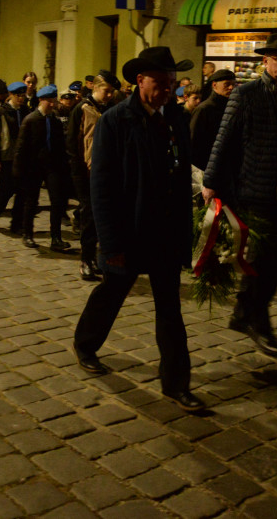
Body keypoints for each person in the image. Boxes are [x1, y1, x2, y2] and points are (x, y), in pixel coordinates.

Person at [73, 48, 203, 413]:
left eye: (172, 84)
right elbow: (102, 185)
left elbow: (181, 176)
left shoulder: (176, 118)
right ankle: (85, 343)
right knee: (112, 293)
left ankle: (177, 383)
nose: (168, 90)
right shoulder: (115, 121)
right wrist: (110, 242)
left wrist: (187, 232)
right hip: (128, 232)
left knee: (170, 309)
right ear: (139, 81)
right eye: (161, 83)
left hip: (164, 234)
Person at [202, 33, 277, 358]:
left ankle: (243, 314)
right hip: (255, 191)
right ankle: (259, 322)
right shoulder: (246, 94)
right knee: (270, 263)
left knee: (261, 260)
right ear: (265, 62)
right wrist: (211, 181)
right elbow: (224, 139)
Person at [67, 69, 121, 281]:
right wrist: (78, 172)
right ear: (95, 88)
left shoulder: (108, 109)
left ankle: (98, 258)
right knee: (89, 217)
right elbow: (73, 143)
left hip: (105, 170)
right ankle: (85, 260)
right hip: (86, 172)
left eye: (111, 92)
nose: (109, 95)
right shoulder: (82, 109)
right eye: (106, 91)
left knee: (102, 218)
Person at [14, 84, 71, 250]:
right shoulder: (31, 120)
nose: (52, 104)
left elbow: (60, 145)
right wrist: (18, 171)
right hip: (33, 167)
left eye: (53, 100)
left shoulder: (54, 121)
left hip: (52, 166)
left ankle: (56, 237)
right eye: (49, 101)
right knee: (31, 201)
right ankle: (27, 234)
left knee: (57, 201)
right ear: (41, 100)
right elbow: (21, 147)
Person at [0, 81, 28, 231]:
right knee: (6, 189)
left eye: (23, 96)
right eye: (18, 96)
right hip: (6, 157)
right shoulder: (1, 112)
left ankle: (16, 223)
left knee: (22, 190)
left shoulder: (25, 111)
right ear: (11, 95)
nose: (21, 99)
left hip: (21, 158)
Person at [189, 68, 236, 172]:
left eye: (233, 84)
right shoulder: (204, 109)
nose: (231, 88)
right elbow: (194, 143)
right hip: (207, 167)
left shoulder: (232, 107)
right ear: (214, 85)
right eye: (227, 84)